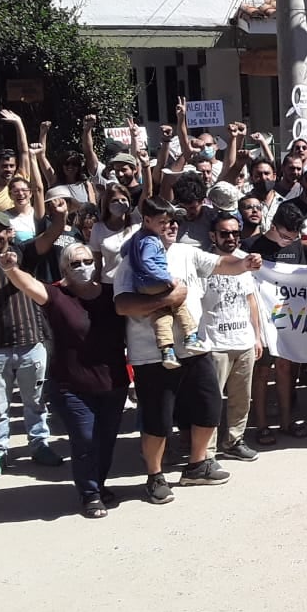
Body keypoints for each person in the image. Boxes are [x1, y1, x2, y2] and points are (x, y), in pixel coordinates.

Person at [113, 204, 263, 504]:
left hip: (195, 347)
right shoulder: (132, 259)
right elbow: (123, 306)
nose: (171, 227)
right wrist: (169, 299)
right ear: (150, 223)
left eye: (174, 222)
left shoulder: (187, 253)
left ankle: (197, 465)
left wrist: (246, 263)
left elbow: (223, 265)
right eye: (165, 222)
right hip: (153, 353)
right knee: (158, 420)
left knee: (208, 406)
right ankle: (155, 477)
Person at [0, 243, 128, 518]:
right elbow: (30, 284)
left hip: (113, 382)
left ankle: (99, 485)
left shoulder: (111, 294)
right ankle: (89, 494)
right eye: (75, 263)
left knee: (106, 441)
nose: (83, 267)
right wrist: (11, 269)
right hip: (72, 385)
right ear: (65, 269)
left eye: (87, 261)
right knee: (85, 439)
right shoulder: (57, 295)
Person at [0, 210, 64, 480]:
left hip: (32, 341)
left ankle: (39, 444)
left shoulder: (24, 254)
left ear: (9, 232)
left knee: (36, 402)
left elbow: (51, 235)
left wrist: (61, 217)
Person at [247, 201, 307, 441]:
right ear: (273, 226)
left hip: (288, 317)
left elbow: (302, 278)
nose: (288, 241)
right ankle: (261, 424)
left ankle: (286, 421)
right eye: (285, 236)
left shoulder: (295, 245)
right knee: (262, 372)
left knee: (286, 370)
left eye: (293, 237)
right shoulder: (252, 246)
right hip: (261, 319)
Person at [203, 210, 262, 462]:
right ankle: (205, 451)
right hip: (215, 343)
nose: (230, 238)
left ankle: (234, 441)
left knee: (241, 398)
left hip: (244, 341)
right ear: (212, 235)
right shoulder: (203, 261)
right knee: (211, 402)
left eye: (235, 233)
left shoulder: (245, 261)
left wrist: (257, 337)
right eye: (224, 233)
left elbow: (251, 301)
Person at [121, 197, 208, 369]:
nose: (166, 226)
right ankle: (191, 336)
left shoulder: (136, 238)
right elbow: (147, 262)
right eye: (162, 222)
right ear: (146, 220)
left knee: (161, 315)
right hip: (155, 282)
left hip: (142, 287)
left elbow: (124, 250)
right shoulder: (152, 240)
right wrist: (167, 278)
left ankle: (167, 351)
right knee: (179, 302)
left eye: (168, 222)